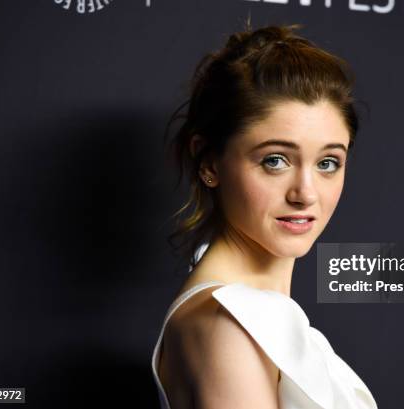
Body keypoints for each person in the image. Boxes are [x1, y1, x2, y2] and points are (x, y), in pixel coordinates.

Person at [151, 20, 377, 409]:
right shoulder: (231, 324)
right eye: (275, 160)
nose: (305, 193)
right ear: (209, 163)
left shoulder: (249, 314)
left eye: (328, 163)